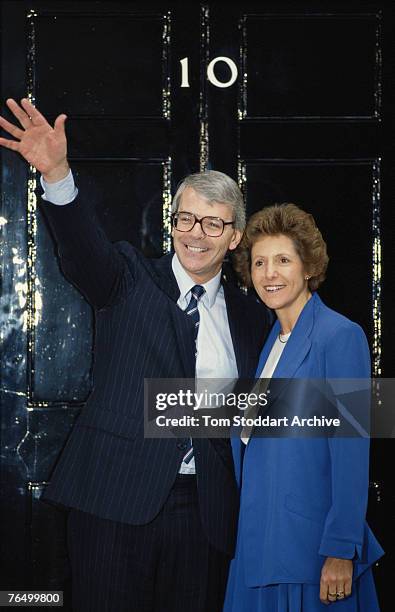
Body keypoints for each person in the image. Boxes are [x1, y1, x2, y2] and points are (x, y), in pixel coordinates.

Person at [0, 98, 272, 612]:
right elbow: (82, 250)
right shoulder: (128, 278)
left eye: (213, 224)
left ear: (234, 237)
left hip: (205, 513)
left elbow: (261, 410)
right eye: (186, 219)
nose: (196, 233)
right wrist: (58, 175)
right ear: (173, 223)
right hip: (113, 499)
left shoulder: (254, 315)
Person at [223, 203, 384, 611]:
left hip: (310, 556)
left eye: (282, 260)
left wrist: (340, 550)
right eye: (259, 262)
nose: (269, 273)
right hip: (257, 549)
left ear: (308, 267)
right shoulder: (269, 344)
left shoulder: (340, 337)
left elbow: (352, 449)